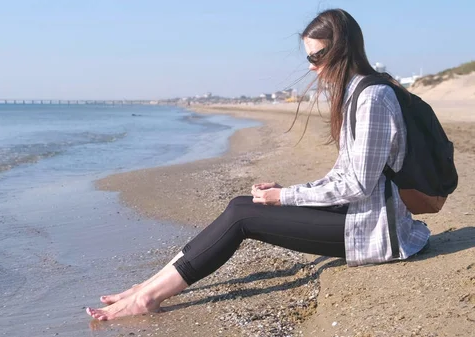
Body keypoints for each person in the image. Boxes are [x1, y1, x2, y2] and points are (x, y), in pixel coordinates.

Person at [86, 8, 431, 321]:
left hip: (374, 232)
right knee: (240, 204)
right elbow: (344, 177)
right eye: (309, 57)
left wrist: (284, 198)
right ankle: (148, 286)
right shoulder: (357, 93)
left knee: (243, 218)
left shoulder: (372, 97)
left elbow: (357, 185)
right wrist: (286, 192)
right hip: (358, 217)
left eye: (318, 56)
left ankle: (148, 298)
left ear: (343, 49)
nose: (312, 66)